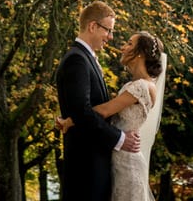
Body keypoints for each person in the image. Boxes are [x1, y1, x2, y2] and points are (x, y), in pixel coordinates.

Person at [58, 30, 166, 201]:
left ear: (139, 54)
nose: (123, 47)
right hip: (119, 159)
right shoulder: (137, 85)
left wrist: (71, 121)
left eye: (129, 44)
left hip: (128, 164)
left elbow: (105, 110)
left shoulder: (141, 87)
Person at [55, 1, 141, 201]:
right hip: (86, 168)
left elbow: (83, 110)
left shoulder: (84, 58)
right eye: (108, 30)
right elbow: (82, 112)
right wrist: (120, 138)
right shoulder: (77, 60)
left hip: (94, 165)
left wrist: (68, 119)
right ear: (92, 26)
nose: (110, 37)